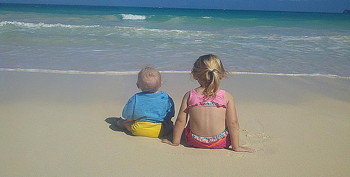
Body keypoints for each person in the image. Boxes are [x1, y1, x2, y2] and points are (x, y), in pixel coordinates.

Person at [162, 54, 255, 152]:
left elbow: (181, 121)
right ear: (222, 75)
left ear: (194, 75)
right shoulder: (226, 96)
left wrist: (175, 142)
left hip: (195, 141)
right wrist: (236, 147)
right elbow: (233, 123)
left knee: (187, 125)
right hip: (220, 142)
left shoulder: (190, 95)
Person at [116, 66, 175, 138]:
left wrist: (130, 119)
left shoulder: (136, 98)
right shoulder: (166, 97)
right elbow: (171, 113)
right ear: (161, 83)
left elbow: (126, 114)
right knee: (170, 124)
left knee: (125, 123)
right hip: (160, 131)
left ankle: (119, 123)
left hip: (138, 129)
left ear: (138, 85)